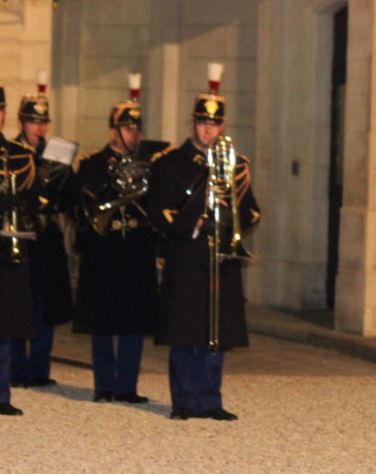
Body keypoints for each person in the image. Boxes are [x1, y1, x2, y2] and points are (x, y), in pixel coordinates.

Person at [144, 63, 260, 421]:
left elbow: (253, 212)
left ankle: (210, 399)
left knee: (216, 336)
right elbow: (159, 211)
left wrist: (232, 218)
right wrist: (193, 219)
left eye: (214, 124)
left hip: (221, 258)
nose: (208, 130)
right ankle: (183, 400)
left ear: (222, 126)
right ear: (192, 124)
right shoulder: (171, 163)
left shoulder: (236, 164)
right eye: (202, 123)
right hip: (187, 255)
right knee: (185, 332)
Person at [70, 74, 158, 403]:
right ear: (113, 131)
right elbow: (83, 200)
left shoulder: (149, 164)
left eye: (137, 129)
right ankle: (104, 385)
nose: (133, 135)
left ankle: (127, 386)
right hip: (104, 250)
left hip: (135, 249)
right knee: (103, 321)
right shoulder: (93, 164)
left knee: (133, 322)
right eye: (127, 128)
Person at [11, 71, 73, 388]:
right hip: (20, 234)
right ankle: (16, 368)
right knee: (20, 301)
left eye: (44, 122)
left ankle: (38, 369)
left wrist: (64, 178)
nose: (40, 128)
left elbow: (67, 200)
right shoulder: (11, 152)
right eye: (34, 121)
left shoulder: (56, 154)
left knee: (45, 304)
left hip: (47, 235)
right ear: (22, 122)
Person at [0, 84, 41, 416]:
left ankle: (1, 394)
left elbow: (34, 200)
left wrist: (20, 206)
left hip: (7, 249)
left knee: (5, 327)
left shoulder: (18, 155)